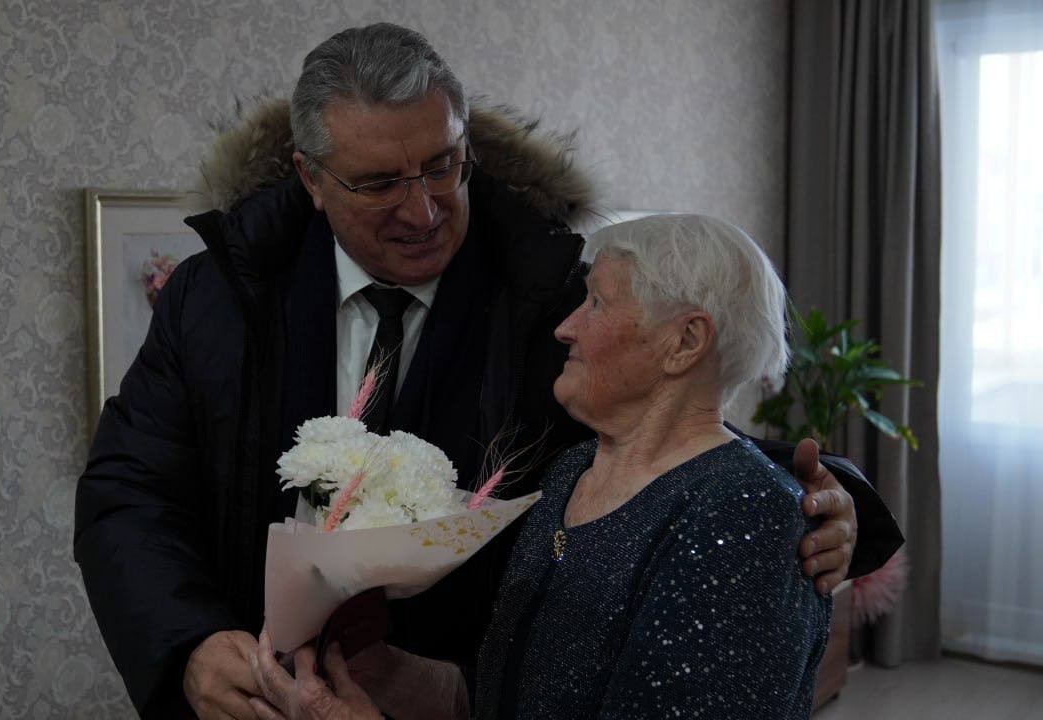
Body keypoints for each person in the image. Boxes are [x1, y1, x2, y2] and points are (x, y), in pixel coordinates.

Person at [74, 23, 900, 719]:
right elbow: (127, 490)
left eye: (443, 164)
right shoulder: (215, 297)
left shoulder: (552, 296)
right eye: (380, 183)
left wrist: (834, 502)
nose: (425, 208)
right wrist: (185, 644)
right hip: (251, 699)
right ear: (311, 179)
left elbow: (683, 440)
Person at [248, 214, 836, 720]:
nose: (565, 327)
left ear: (684, 342)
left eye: (596, 302)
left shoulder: (745, 516)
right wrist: (379, 672)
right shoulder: (572, 471)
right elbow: (511, 699)